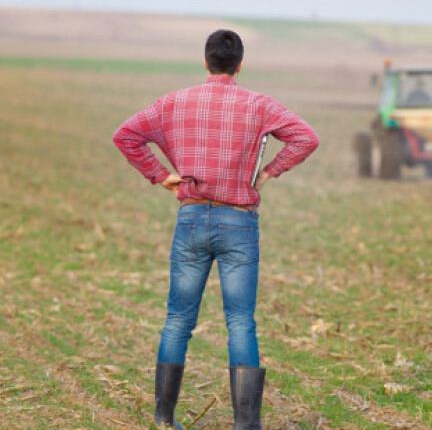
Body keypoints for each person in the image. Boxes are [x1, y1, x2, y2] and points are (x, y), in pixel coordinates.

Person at [112, 29, 319, 429]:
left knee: (178, 320)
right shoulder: (258, 104)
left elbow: (126, 136)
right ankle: (246, 424)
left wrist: (161, 176)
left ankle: (163, 417)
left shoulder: (175, 101)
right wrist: (269, 172)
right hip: (239, 222)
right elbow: (305, 138)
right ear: (239, 64)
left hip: (190, 219)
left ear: (206, 62)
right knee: (240, 321)